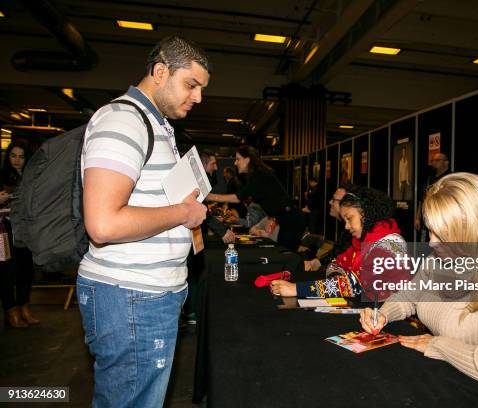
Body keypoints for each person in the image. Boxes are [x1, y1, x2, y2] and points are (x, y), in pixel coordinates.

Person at [77, 36, 208, 406]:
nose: (197, 97)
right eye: (191, 84)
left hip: (145, 295)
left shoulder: (156, 124)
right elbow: (103, 223)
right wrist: (184, 213)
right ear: (160, 71)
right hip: (132, 296)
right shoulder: (123, 120)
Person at [360, 172, 478, 393]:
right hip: (438, 377)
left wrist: (438, 345)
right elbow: (408, 297)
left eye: (442, 235)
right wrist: (383, 314)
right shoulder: (437, 262)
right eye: (431, 230)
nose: (432, 243)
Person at [270, 186, 408, 298]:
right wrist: (338, 282)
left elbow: (356, 285)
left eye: (349, 218)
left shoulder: (391, 243)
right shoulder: (360, 241)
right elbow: (336, 263)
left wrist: (298, 289)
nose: (347, 226)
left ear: (366, 214)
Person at [207, 145, 306, 251]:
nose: (235, 163)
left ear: (248, 159)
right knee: (283, 254)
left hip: (291, 219)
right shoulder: (257, 174)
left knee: (286, 256)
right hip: (286, 219)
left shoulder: (259, 174)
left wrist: (209, 196)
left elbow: (237, 198)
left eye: (238, 159)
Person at [0, 140, 38, 328]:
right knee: (6, 271)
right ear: (8, 157)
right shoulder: (2, 176)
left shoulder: (30, 178)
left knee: (26, 269)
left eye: (21, 157)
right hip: (3, 232)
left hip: (25, 230)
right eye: (13, 156)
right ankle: (10, 310)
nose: (17, 160)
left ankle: (24, 306)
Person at [302, 184, 356, 272]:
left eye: (334, 200)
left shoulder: (355, 232)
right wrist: (317, 262)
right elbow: (337, 253)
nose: (330, 202)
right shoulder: (345, 228)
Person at [200, 150, 235, 244]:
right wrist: (222, 231)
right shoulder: (196, 183)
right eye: (213, 164)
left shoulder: (203, 180)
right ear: (203, 164)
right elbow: (203, 213)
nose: (216, 168)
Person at [414, 152, 450, 241]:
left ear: (446, 162)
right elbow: (422, 199)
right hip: (426, 219)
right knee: (425, 243)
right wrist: (418, 217)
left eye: (437, 160)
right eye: (432, 160)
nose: (434, 162)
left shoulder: (450, 178)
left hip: (441, 218)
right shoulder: (430, 178)